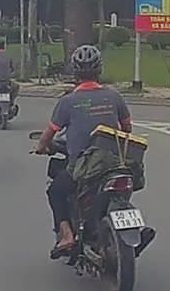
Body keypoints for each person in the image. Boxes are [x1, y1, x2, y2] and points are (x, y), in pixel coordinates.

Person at [34, 44, 132, 258]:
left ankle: (67, 235)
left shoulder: (68, 101)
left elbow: (48, 135)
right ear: (100, 70)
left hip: (82, 167)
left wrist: (41, 147)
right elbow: (127, 128)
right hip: (115, 164)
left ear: (75, 72)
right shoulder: (114, 96)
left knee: (55, 191)